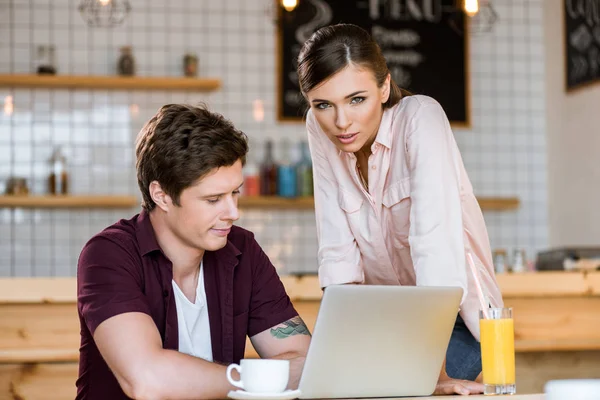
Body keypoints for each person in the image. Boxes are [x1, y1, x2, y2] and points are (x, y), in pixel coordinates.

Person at [297, 24, 503, 395]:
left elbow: (434, 248)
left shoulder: (421, 118)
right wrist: (342, 348)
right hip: (386, 322)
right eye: (324, 104)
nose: (341, 122)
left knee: (411, 391)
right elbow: (337, 250)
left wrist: (434, 374)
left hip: (457, 319)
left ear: (384, 87)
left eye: (356, 99)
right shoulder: (318, 127)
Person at [76, 104, 311, 400]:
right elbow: (148, 380)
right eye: (213, 199)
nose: (233, 212)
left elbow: (304, 360)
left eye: (235, 192)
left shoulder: (243, 250)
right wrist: (256, 377)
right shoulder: (108, 255)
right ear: (161, 195)